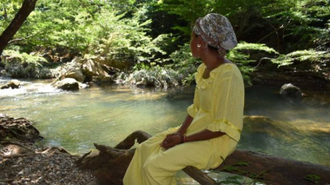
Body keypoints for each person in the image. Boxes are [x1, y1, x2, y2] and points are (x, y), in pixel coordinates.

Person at [123, 13, 245, 185]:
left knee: (155, 166)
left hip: (217, 141)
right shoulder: (204, 69)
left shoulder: (228, 75)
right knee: (144, 149)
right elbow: (196, 109)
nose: (190, 42)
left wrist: (183, 140)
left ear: (201, 41)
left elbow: (224, 127)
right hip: (196, 130)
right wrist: (180, 132)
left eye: (192, 37)